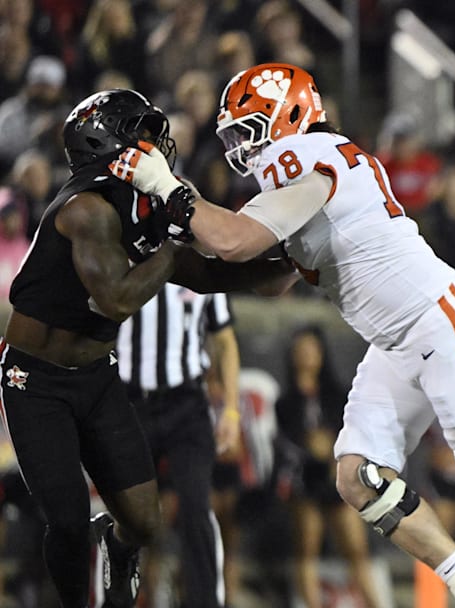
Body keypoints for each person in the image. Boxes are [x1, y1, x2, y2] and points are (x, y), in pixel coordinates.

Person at [108, 62, 455, 608]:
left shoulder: (303, 156)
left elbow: (234, 241)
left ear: (289, 115)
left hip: (440, 318)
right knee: (358, 477)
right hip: (395, 341)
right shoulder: (312, 170)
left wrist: (170, 190)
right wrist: (172, 245)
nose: (242, 149)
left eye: (248, 131)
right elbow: (265, 276)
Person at [0, 88, 296, 608]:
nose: (154, 144)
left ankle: (115, 550)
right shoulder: (85, 208)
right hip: (37, 380)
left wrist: (284, 267)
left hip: (97, 374)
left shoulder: (148, 198)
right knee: (67, 520)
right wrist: (173, 248)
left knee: (144, 522)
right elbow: (116, 299)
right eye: (139, 132)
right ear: (103, 144)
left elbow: (206, 273)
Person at [116, 285, 240, 608]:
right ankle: (118, 598)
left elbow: (224, 339)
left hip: (187, 403)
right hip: (130, 403)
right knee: (127, 512)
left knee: (196, 506)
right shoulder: (124, 260)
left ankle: (204, 602)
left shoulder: (202, 265)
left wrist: (231, 409)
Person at [274, 325, 385, 608]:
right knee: (306, 548)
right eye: (301, 350)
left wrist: (332, 449)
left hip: (337, 478)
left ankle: (375, 603)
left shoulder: (338, 395)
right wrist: (309, 446)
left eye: (311, 349)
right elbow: (285, 442)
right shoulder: (285, 402)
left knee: (356, 548)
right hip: (304, 480)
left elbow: (354, 432)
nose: (307, 355)